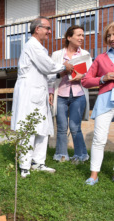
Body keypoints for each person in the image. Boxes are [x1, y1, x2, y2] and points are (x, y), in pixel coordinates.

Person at [10, 16, 74, 178]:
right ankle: (25, 165)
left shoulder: (39, 48)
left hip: (39, 92)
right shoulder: (32, 46)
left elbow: (47, 73)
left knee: (42, 128)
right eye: (47, 28)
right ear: (37, 29)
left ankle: (38, 162)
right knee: (28, 128)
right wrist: (64, 66)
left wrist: (57, 79)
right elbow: (48, 66)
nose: (50, 32)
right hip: (29, 92)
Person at [48, 25, 90, 164]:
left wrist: (82, 76)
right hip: (61, 95)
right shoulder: (57, 55)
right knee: (61, 127)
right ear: (69, 37)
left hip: (78, 94)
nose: (81, 38)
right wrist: (51, 92)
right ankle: (61, 155)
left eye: (82, 35)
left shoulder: (85, 54)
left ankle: (80, 155)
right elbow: (51, 76)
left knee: (75, 127)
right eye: (78, 35)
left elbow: (90, 74)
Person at [81, 21, 114, 185]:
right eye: (109, 35)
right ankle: (94, 175)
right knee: (99, 139)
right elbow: (85, 81)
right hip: (105, 101)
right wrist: (102, 78)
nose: (111, 38)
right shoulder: (101, 58)